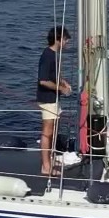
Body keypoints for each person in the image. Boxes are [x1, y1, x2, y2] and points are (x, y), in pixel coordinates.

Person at [36, 26, 73, 174]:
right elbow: (43, 80)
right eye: (65, 39)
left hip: (53, 98)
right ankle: (46, 167)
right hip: (48, 99)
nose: (67, 41)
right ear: (58, 39)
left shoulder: (54, 54)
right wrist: (61, 88)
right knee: (47, 132)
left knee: (53, 130)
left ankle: (49, 160)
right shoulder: (48, 55)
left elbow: (53, 76)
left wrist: (63, 82)